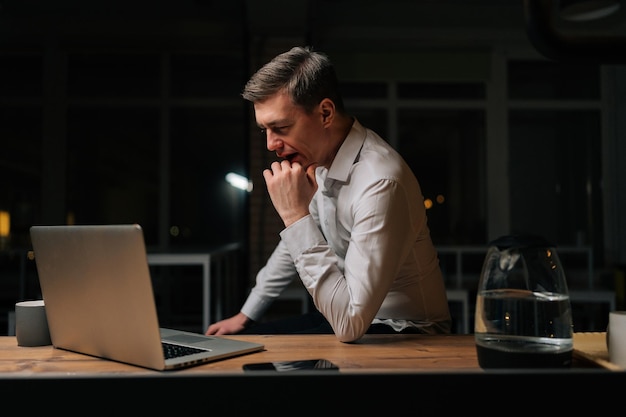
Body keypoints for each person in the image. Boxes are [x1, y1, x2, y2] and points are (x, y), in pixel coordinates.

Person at [206, 46, 451, 343]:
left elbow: (350, 324)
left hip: (405, 330)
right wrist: (246, 315)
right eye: (264, 131)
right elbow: (294, 247)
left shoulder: (379, 182)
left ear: (325, 113)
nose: (271, 144)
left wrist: (295, 216)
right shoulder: (319, 161)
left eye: (280, 127)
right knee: (239, 344)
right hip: (346, 316)